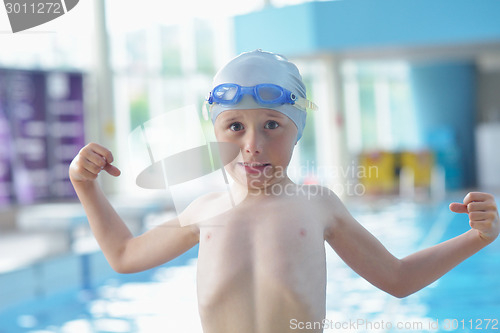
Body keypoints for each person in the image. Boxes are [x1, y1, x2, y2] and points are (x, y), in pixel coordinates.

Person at [69, 50, 499, 333]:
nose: (252, 144)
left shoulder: (317, 207)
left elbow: (398, 280)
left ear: (298, 133)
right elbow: (124, 256)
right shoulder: (203, 210)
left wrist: (477, 237)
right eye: (234, 127)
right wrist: (85, 186)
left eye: (272, 125)